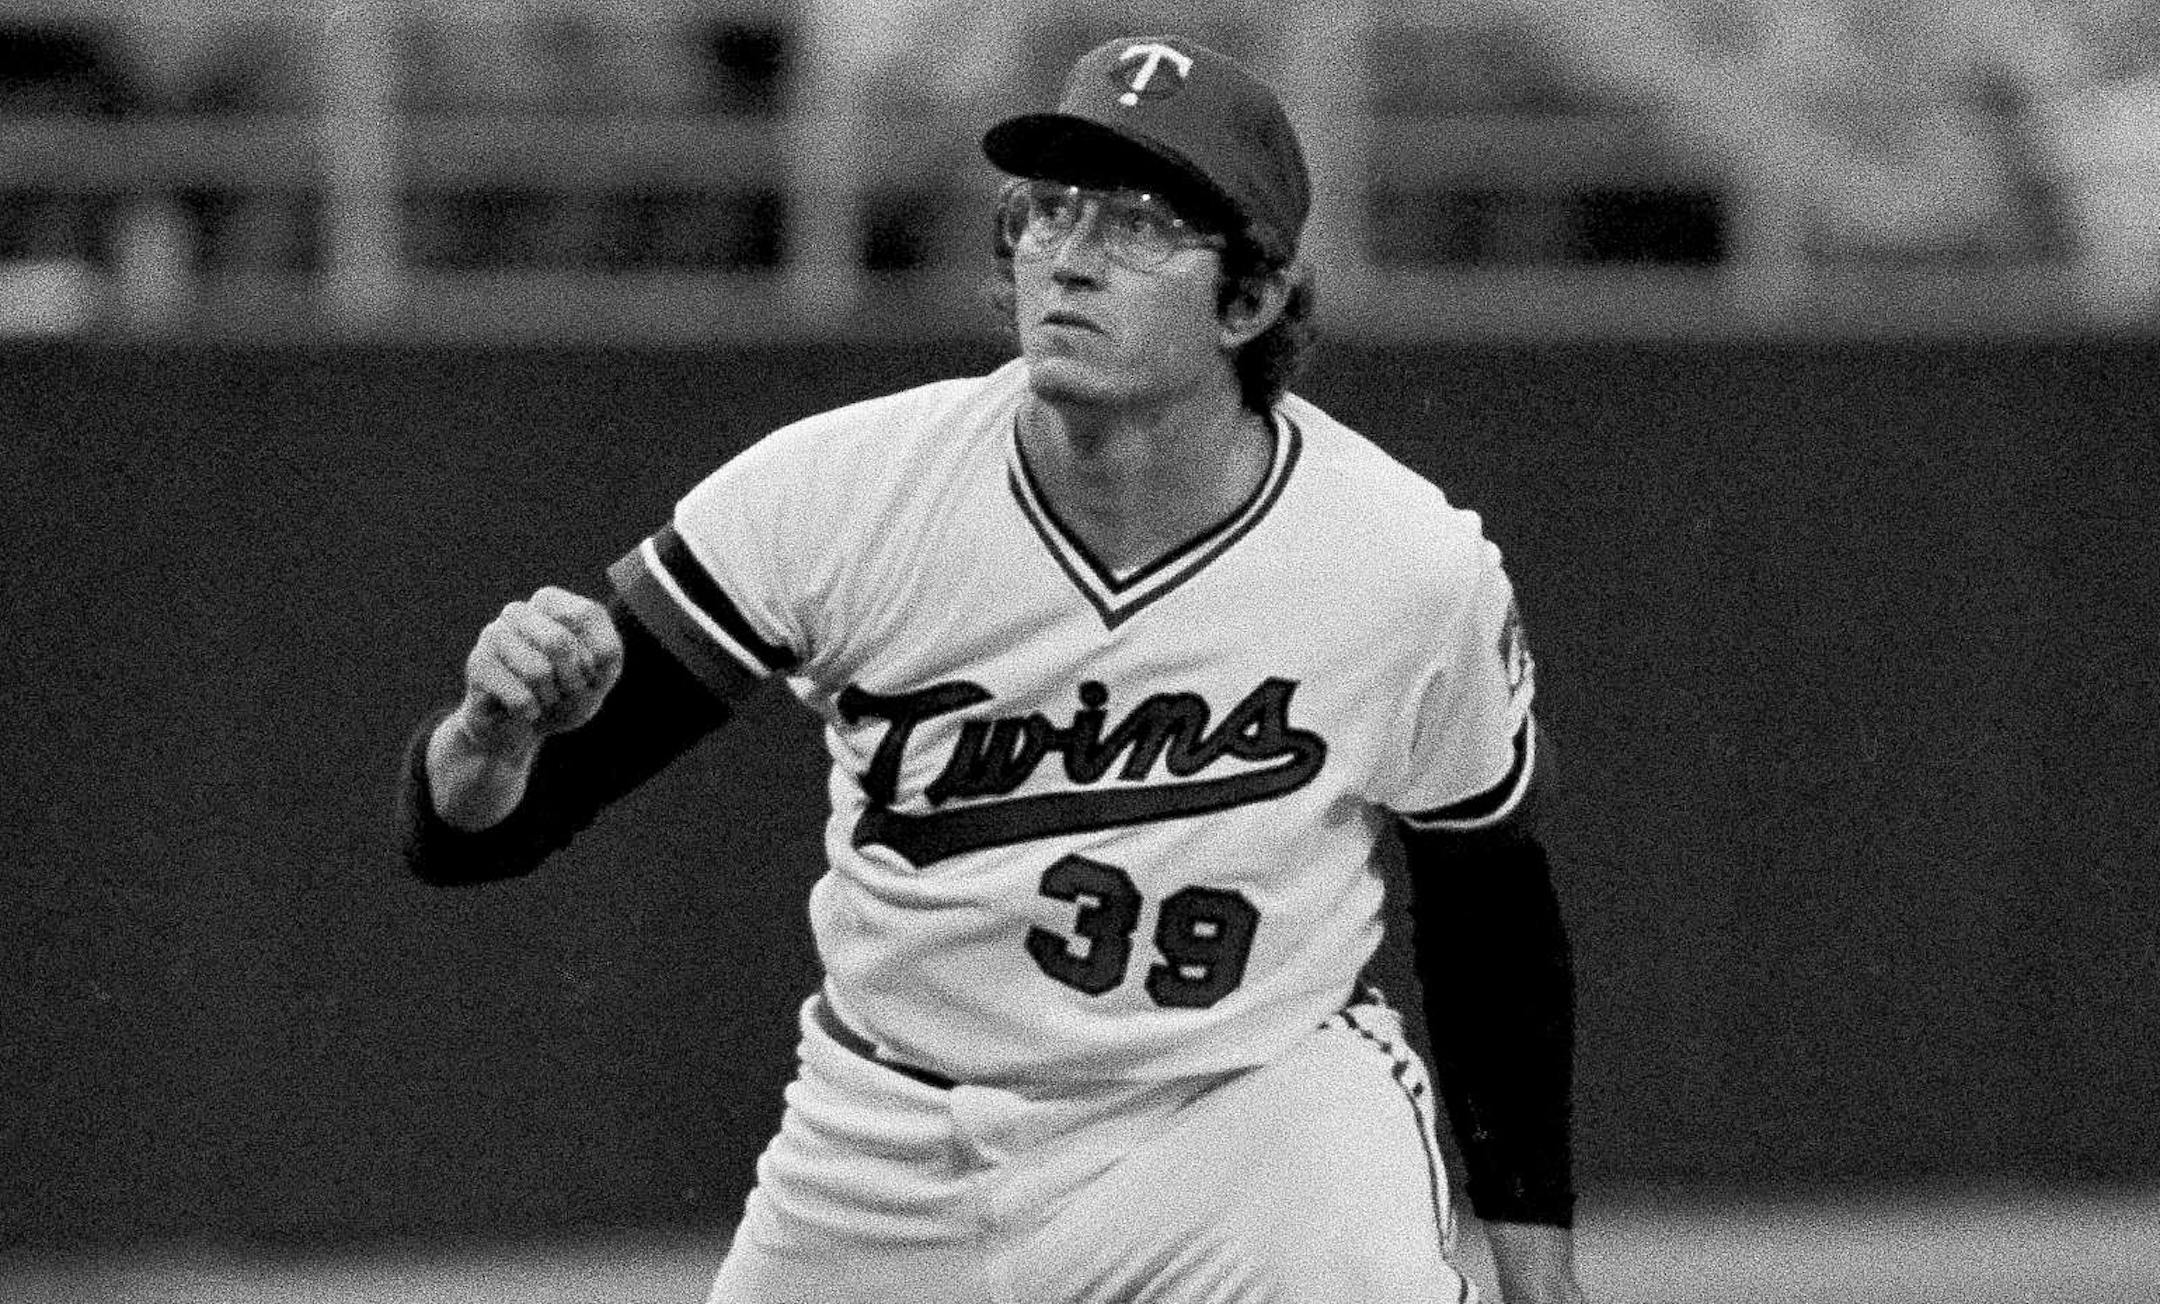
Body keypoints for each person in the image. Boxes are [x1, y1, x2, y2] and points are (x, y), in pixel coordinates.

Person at [397, 34, 1587, 1304]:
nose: (1070, 255)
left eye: (1137, 224)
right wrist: (495, 735)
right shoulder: (842, 493)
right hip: (891, 1139)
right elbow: (469, 835)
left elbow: (1491, 923)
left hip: (1235, 1123)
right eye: (1047, 210)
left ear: (1249, 301)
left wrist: (1540, 1277)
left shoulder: (1403, 565)